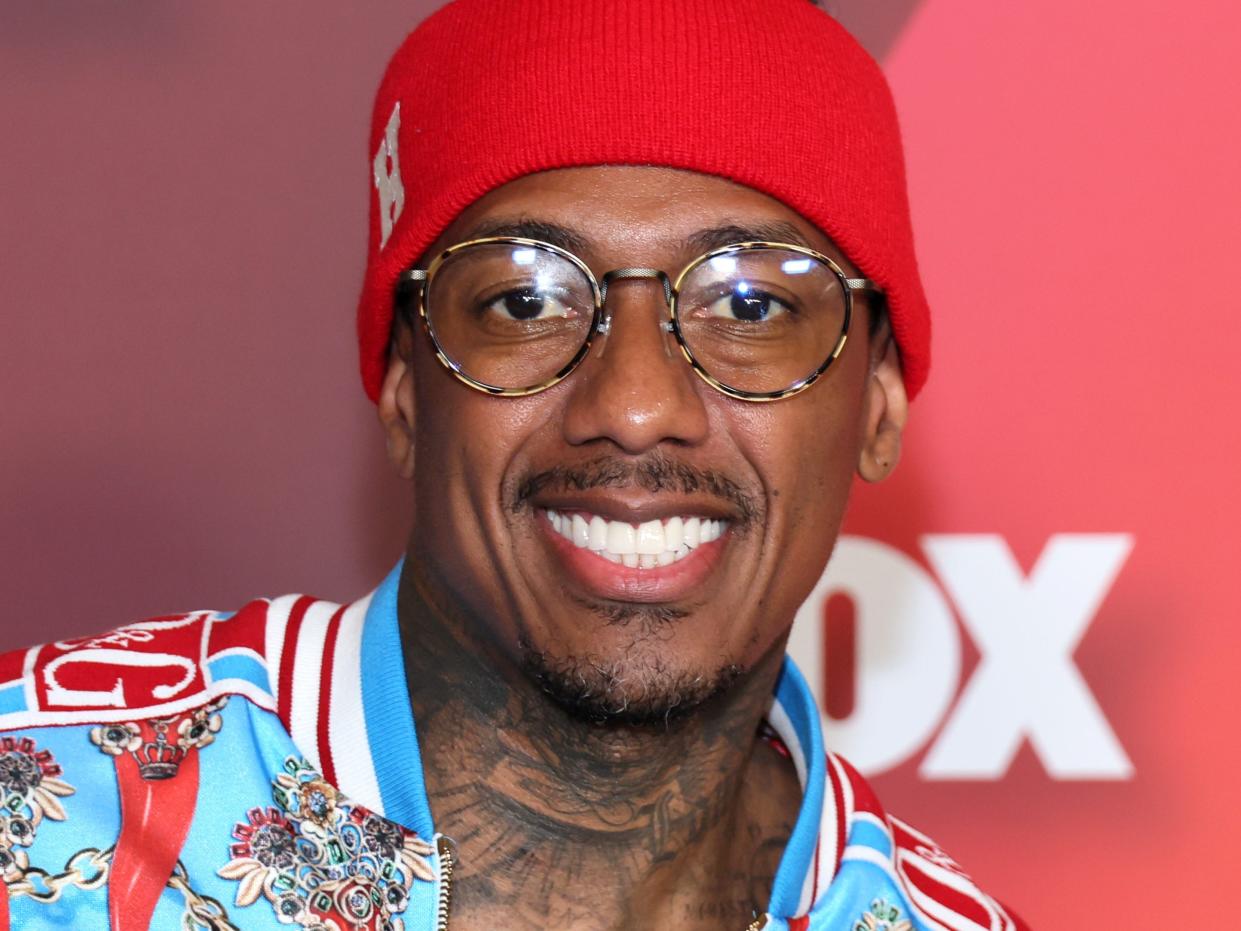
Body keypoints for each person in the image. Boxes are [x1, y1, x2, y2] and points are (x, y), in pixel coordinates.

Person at [0, 1, 1028, 928]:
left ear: (879, 405)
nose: (633, 406)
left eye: (750, 305)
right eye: (524, 301)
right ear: (404, 387)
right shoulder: (37, 811)